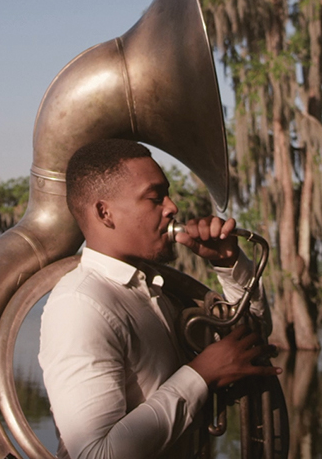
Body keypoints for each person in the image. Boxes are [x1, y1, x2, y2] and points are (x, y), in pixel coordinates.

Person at [39, 138, 280, 459]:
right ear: (104, 212)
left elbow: (253, 338)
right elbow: (95, 455)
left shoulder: (155, 289)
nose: (172, 207)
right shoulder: (80, 305)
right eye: (155, 198)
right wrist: (201, 376)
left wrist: (227, 263)